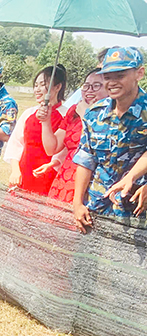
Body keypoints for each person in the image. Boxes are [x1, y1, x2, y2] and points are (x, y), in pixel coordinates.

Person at [73, 47, 147, 232]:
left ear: (139, 73)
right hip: (95, 208)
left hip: (136, 214)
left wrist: (134, 178)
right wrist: (77, 203)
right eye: (107, 77)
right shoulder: (94, 112)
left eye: (120, 75)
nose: (112, 82)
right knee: (85, 260)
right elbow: (85, 159)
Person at [44, 68, 107, 203]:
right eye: (86, 85)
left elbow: (98, 147)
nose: (89, 90)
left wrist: (86, 116)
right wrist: (46, 121)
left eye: (96, 86)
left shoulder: (111, 114)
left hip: (92, 182)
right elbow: (52, 148)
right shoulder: (74, 110)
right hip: (66, 178)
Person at [3, 65, 67, 195]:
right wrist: (16, 171)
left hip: (49, 176)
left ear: (57, 87)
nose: (37, 89)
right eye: (35, 85)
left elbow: (64, 150)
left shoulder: (66, 115)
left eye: (42, 85)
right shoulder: (29, 113)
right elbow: (16, 143)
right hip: (23, 173)